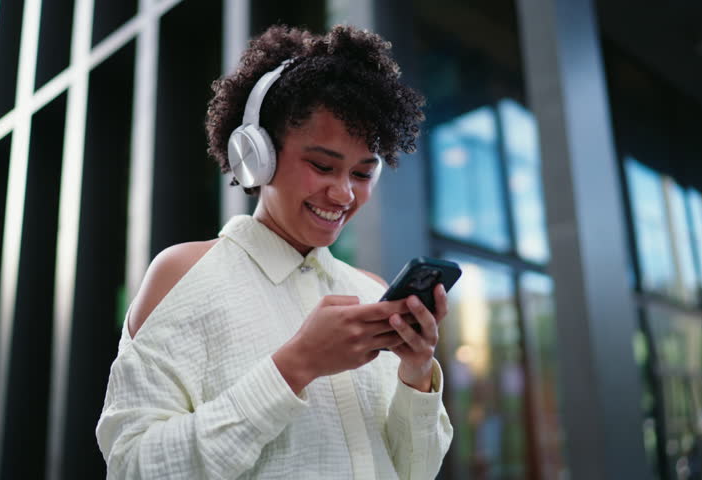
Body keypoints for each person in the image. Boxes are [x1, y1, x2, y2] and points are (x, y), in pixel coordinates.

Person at [96, 24, 453, 479]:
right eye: (322, 165)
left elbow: (414, 471)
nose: (344, 194)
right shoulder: (184, 274)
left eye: (363, 174)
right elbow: (133, 466)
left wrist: (416, 372)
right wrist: (296, 364)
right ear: (256, 154)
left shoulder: (370, 293)